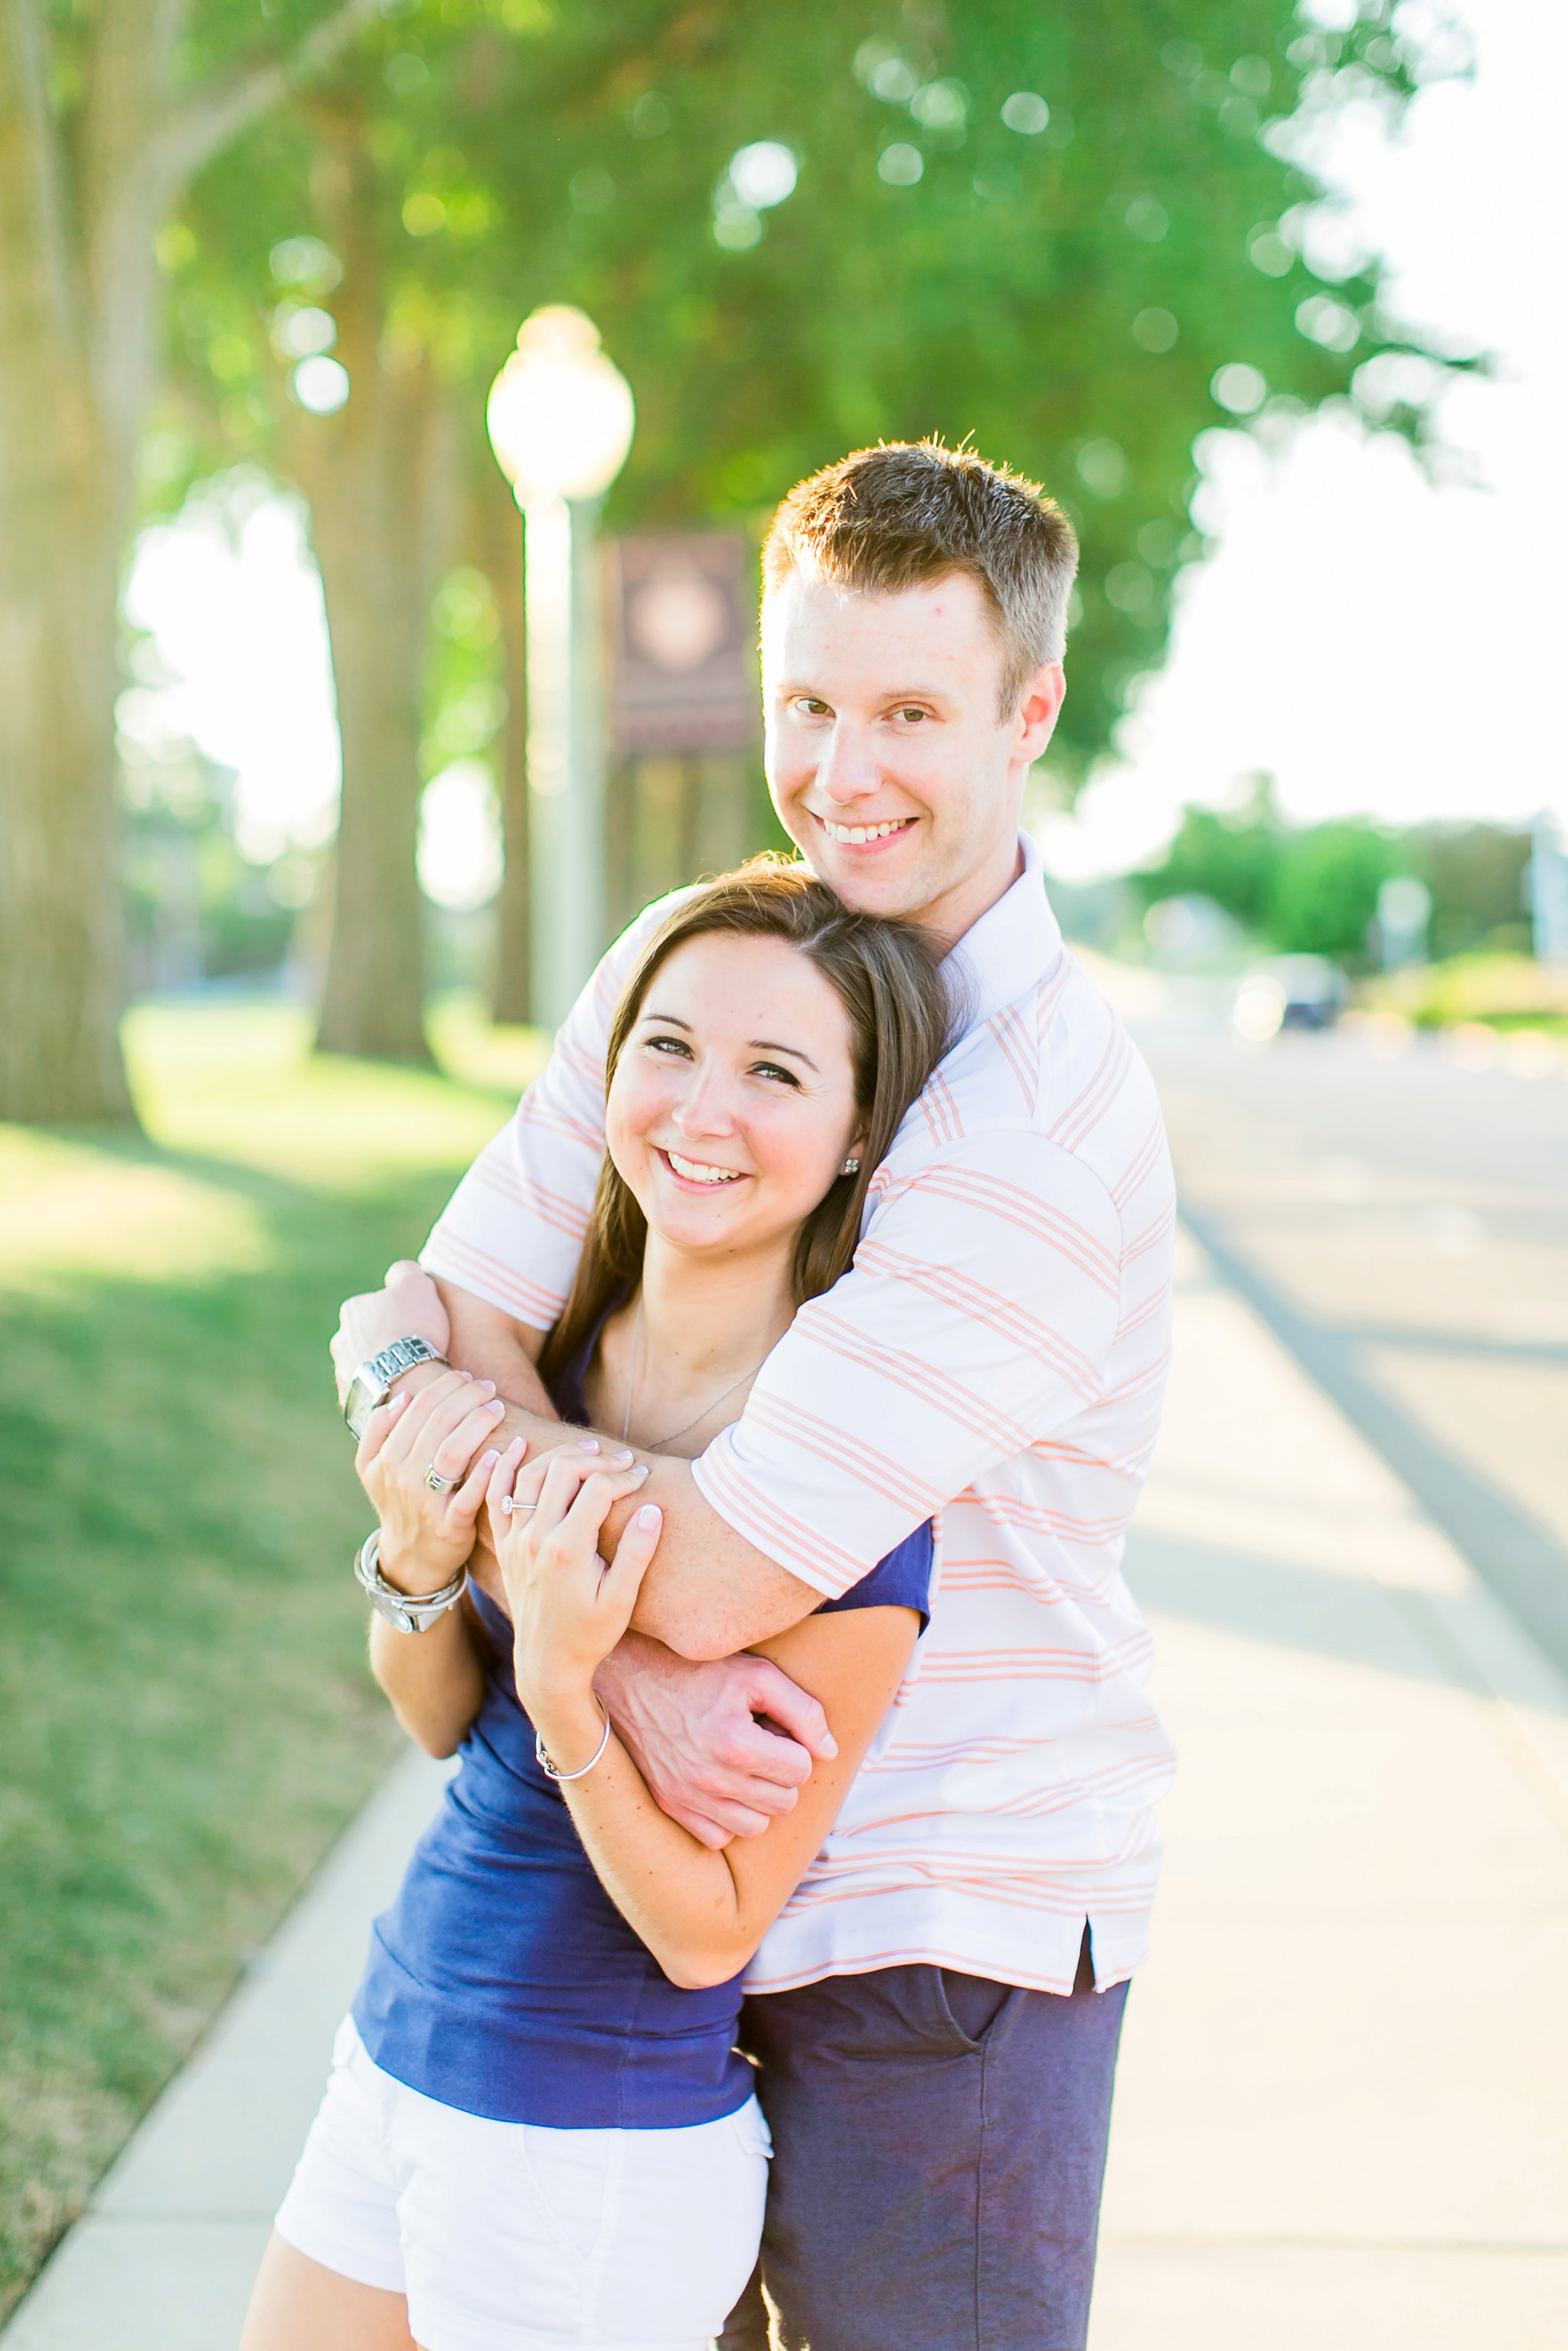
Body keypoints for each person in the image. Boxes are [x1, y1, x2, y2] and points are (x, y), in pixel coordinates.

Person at [335, 441, 1178, 2351]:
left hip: (930, 1939)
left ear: (1029, 711)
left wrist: (543, 1587)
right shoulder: (714, 971)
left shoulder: (1024, 1129)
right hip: (661, 1908)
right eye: (807, 703)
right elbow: (425, 1308)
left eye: (908, 712)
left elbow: (706, 1583)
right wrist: (575, 1613)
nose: (843, 769)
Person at [241, 868, 951, 2351]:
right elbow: (438, 1716)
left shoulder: (837, 1492)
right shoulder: (540, 1362)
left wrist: (575, 1696)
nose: (700, 1110)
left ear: (854, 1139)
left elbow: (710, 1932)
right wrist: (422, 1558)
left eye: (775, 1073)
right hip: (399, 2045)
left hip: (587, 2145)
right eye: (669, 1046)